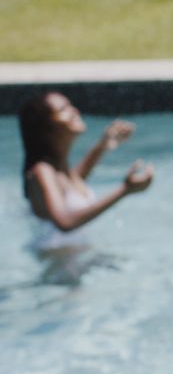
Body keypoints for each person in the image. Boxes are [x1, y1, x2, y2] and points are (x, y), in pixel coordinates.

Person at [18, 92, 153, 276]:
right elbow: (64, 222)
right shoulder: (42, 171)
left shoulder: (59, 170)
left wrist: (103, 145)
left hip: (74, 260)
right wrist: (124, 191)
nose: (74, 111)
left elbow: (74, 183)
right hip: (60, 268)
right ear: (46, 127)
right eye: (63, 109)